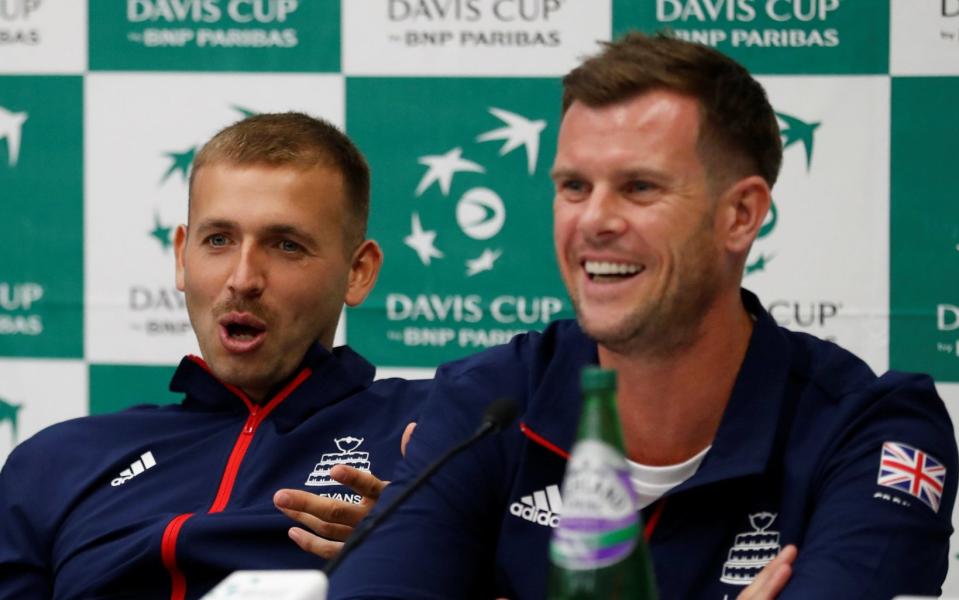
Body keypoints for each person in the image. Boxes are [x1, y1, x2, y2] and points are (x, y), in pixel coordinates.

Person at [327, 33, 958, 599]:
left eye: (640, 187)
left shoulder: (869, 429)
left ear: (740, 215)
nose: (593, 220)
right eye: (574, 187)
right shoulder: (488, 405)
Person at [0, 112, 427, 599]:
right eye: (219, 240)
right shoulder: (57, 461)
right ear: (182, 255)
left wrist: (432, 555)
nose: (243, 278)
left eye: (286, 245)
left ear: (358, 271)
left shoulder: (437, 433)